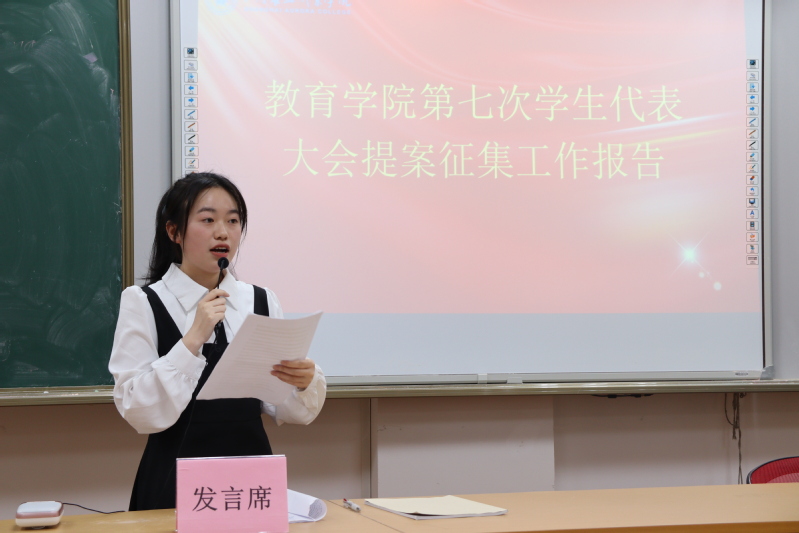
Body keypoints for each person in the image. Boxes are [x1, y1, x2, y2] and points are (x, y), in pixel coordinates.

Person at [108, 172, 326, 511]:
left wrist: (302, 382)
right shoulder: (143, 302)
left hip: (250, 482)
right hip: (173, 484)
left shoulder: (261, 301)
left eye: (233, 221)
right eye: (208, 220)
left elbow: (284, 409)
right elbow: (138, 410)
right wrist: (193, 339)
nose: (223, 232)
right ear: (174, 232)